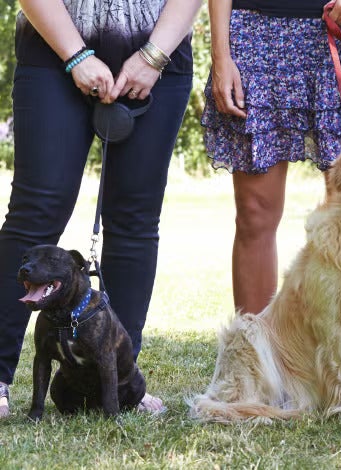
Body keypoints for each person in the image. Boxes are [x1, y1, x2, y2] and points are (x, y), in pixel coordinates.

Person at [200, 0, 341, 410]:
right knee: (256, 214)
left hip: (335, 29)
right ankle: (261, 368)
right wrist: (221, 55)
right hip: (254, 33)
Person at [0, 0, 201, 418]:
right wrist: (75, 55)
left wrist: (152, 56)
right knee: (35, 210)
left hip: (159, 53)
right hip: (52, 43)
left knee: (134, 218)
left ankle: (124, 382)